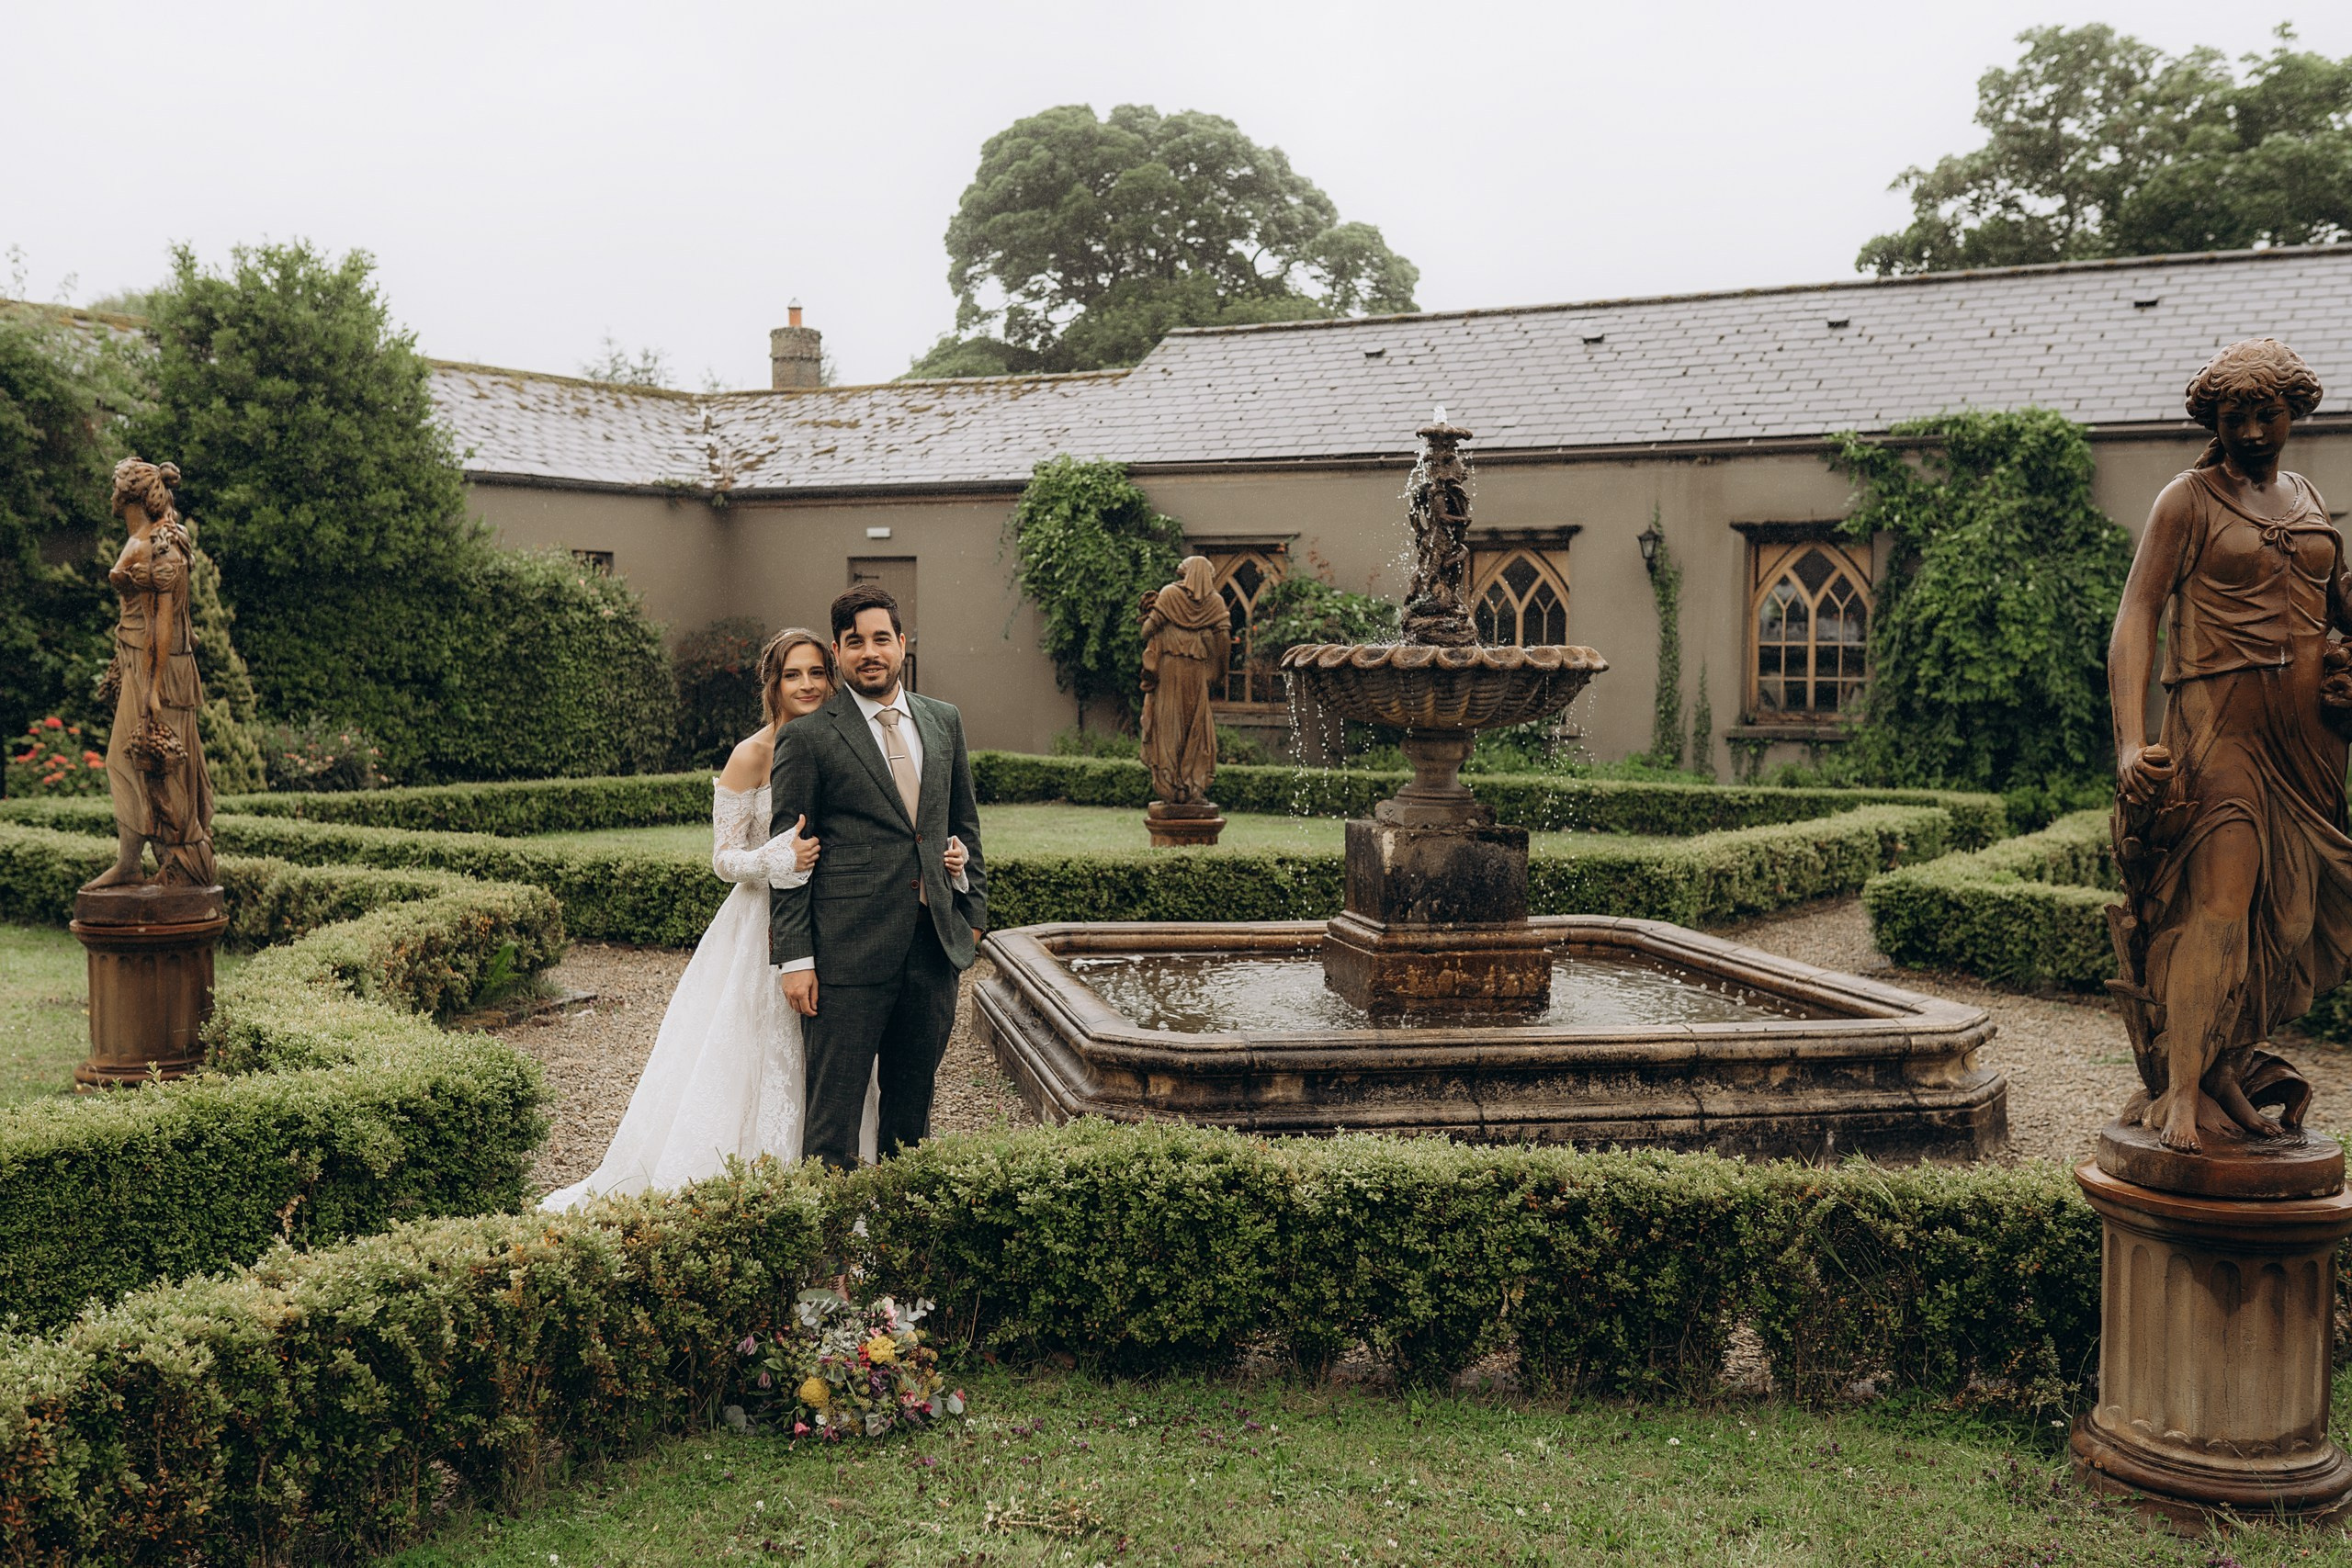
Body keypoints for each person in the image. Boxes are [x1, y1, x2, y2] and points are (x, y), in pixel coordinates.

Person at [2109, 338, 2347, 1153]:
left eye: (2266, 413)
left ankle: (2225, 1068)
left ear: (2295, 413)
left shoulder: (2309, 495)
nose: (2250, 430)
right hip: (2221, 734)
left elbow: (2340, 609)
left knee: (2286, 922)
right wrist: (2130, 741)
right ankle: (2179, 1093)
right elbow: (2136, 615)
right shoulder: (2188, 499)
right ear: (2212, 420)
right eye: (2233, 415)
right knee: (2218, 903)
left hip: (2310, 745)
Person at [540, 628, 875, 1209]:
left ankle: (832, 1181)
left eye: (817, 673)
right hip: (758, 927)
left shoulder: (846, 742)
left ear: (832, 678)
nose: (806, 685)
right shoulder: (752, 754)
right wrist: (776, 859)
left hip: (838, 922)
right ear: (774, 683)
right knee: (749, 1054)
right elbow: (722, 859)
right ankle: (737, 1187)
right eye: (793, 674)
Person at [771, 585, 986, 1169]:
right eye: (854, 642)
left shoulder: (944, 721)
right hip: (846, 954)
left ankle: (899, 1240)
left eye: (881, 639)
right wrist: (795, 959)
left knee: (910, 1115)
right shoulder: (808, 737)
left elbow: (963, 826)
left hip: (932, 950)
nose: (870, 652)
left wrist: (969, 919)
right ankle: (830, 1253)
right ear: (839, 653)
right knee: (832, 1122)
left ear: (902, 644)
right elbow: (786, 857)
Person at [84, 457, 217, 890]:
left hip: (159, 669)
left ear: (130, 494)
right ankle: (130, 863)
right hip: (138, 662)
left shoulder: (160, 546)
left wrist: (153, 689)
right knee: (132, 764)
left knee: (161, 766)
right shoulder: (144, 539)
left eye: (115, 486)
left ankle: (185, 864)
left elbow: (164, 622)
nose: (110, 494)